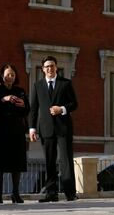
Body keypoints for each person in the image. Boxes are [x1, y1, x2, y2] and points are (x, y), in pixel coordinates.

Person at [29, 56, 78, 202]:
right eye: (47, 66)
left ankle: (70, 193)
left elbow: (74, 104)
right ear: (43, 69)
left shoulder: (66, 83)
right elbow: (34, 109)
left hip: (64, 128)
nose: (50, 69)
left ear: (56, 67)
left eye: (52, 66)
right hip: (46, 128)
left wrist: (61, 109)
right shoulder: (37, 85)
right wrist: (32, 128)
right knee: (49, 161)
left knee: (66, 161)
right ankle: (51, 193)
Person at [0, 64, 29, 203]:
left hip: (17, 131)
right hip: (1, 131)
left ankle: (15, 194)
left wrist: (23, 104)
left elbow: (27, 110)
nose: (10, 77)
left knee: (16, 164)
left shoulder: (20, 90)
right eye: (7, 74)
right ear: (2, 75)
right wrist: (4, 99)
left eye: (12, 74)